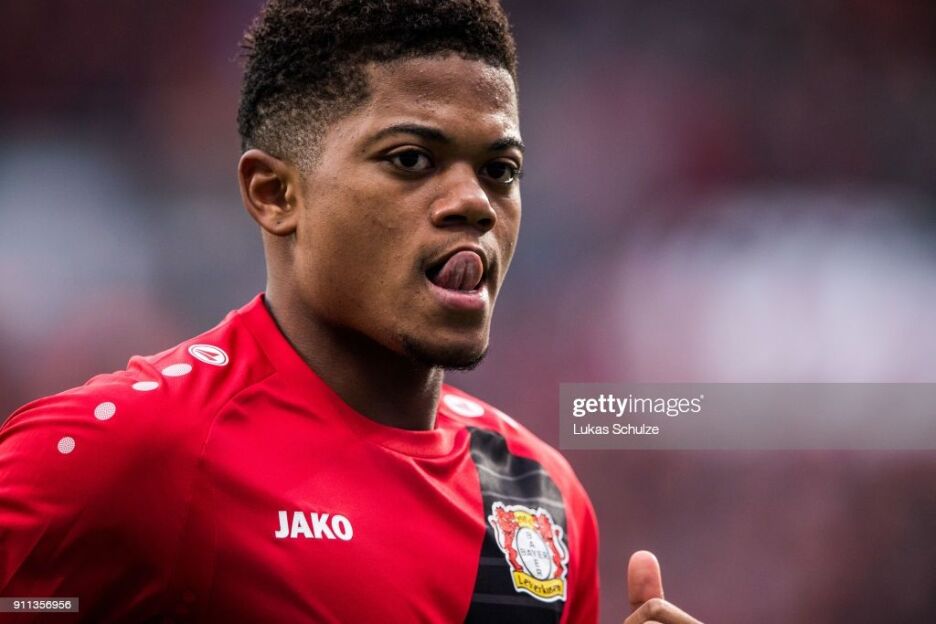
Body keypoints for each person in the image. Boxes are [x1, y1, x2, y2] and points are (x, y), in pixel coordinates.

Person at [0, 1, 702, 622]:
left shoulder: (540, 496)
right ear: (275, 194)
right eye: (411, 159)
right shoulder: (129, 452)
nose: (476, 203)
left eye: (500, 170)